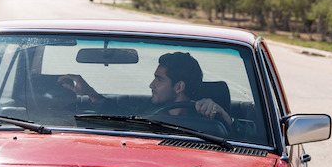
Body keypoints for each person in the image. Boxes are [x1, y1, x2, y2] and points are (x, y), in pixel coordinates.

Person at [59, 51, 233, 127]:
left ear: (179, 86)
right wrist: (90, 93)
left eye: (159, 79)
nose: (151, 85)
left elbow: (239, 136)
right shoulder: (145, 109)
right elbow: (114, 112)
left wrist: (223, 116)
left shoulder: (205, 114)